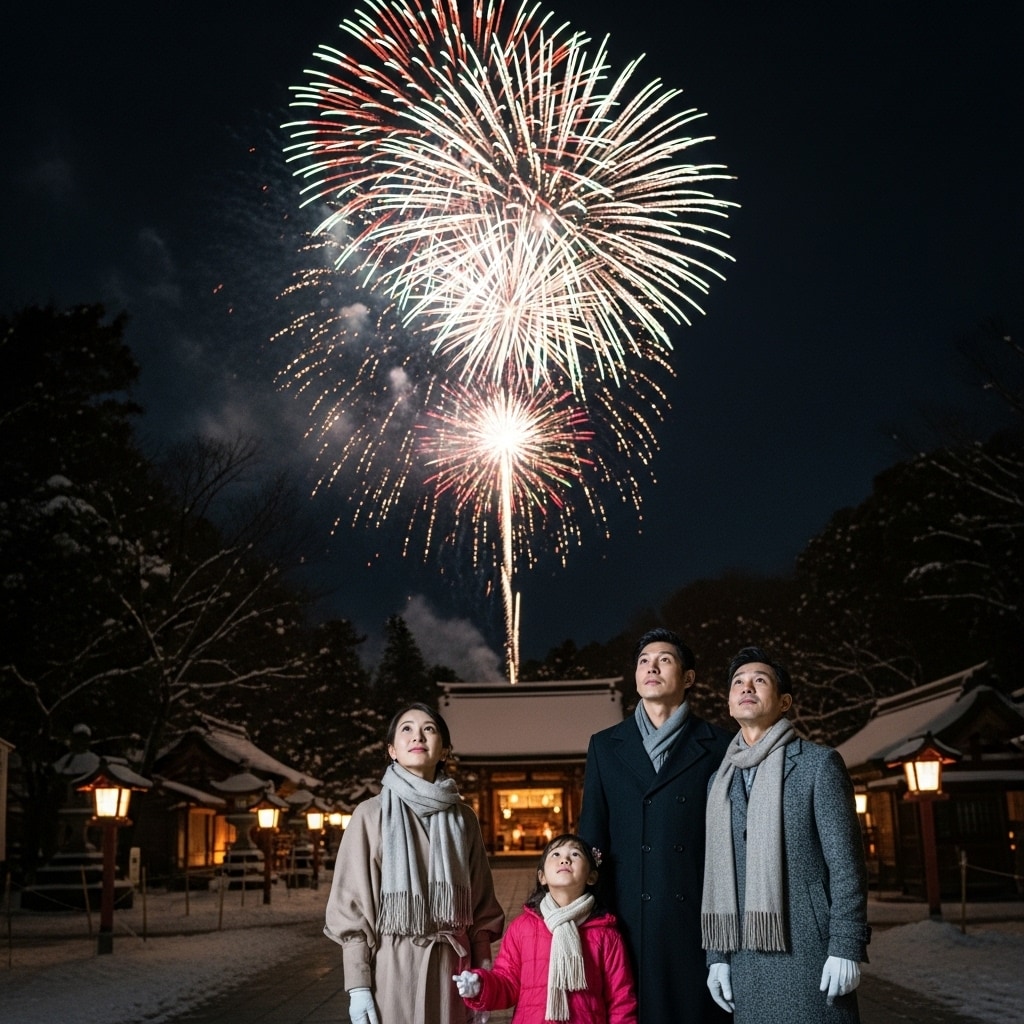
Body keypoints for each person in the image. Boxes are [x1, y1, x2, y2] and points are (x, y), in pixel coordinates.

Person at [701, 647, 871, 1024]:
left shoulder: (817, 765)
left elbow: (847, 865)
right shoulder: (719, 782)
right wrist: (717, 957)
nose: (747, 688)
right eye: (738, 683)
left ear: (784, 702)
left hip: (809, 947)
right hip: (744, 954)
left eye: (760, 681)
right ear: (729, 703)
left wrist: (846, 946)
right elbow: (714, 874)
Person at [578, 627, 732, 1024]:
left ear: (688, 678)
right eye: (644, 661)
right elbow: (592, 831)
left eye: (664, 660)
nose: (652, 667)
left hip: (696, 907)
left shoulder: (719, 744)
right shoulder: (605, 745)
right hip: (628, 909)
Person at [324, 702, 505, 1024]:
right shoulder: (370, 814)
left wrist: (483, 975)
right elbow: (350, 906)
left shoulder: (463, 819)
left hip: (454, 967)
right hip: (394, 964)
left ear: (445, 750)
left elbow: (481, 906)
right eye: (406, 728)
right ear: (392, 750)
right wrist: (358, 986)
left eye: (429, 729)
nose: (417, 735)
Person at [453, 833, 638, 1023]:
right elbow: (507, 982)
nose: (564, 859)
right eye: (555, 854)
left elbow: (620, 999)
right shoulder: (522, 928)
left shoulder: (606, 935)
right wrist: (481, 985)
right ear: (542, 876)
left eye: (575, 854)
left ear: (591, 876)